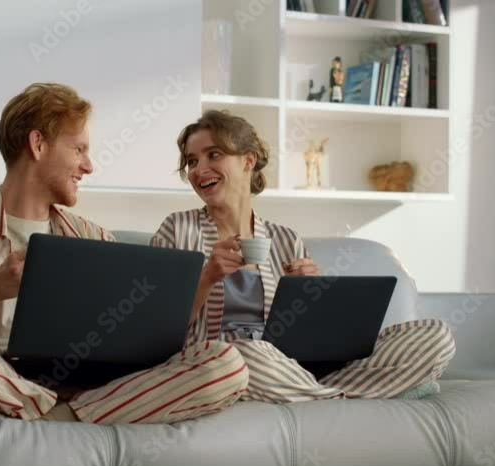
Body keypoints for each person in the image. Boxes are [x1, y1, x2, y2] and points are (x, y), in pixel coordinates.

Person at [0, 85, 248, 423]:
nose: (88, 165)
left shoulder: (92, 237)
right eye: (79, 149)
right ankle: (40, 409)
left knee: (227, 363)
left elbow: (132, 341)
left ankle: (51, 417)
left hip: (83, 388)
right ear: (37, 145)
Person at [150, 110, 455, 402]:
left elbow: (309, 337)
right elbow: (154, 330)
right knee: (244, 355)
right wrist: (207, 279)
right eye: (191, 161)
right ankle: (340, 395)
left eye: (213, 155)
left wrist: (311, 299)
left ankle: (311, 391)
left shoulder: (285, 239)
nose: (198, 169)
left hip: (290, 366)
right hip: (223, 363)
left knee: (435, 337)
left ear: (248, 161)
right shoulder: (177, 230)